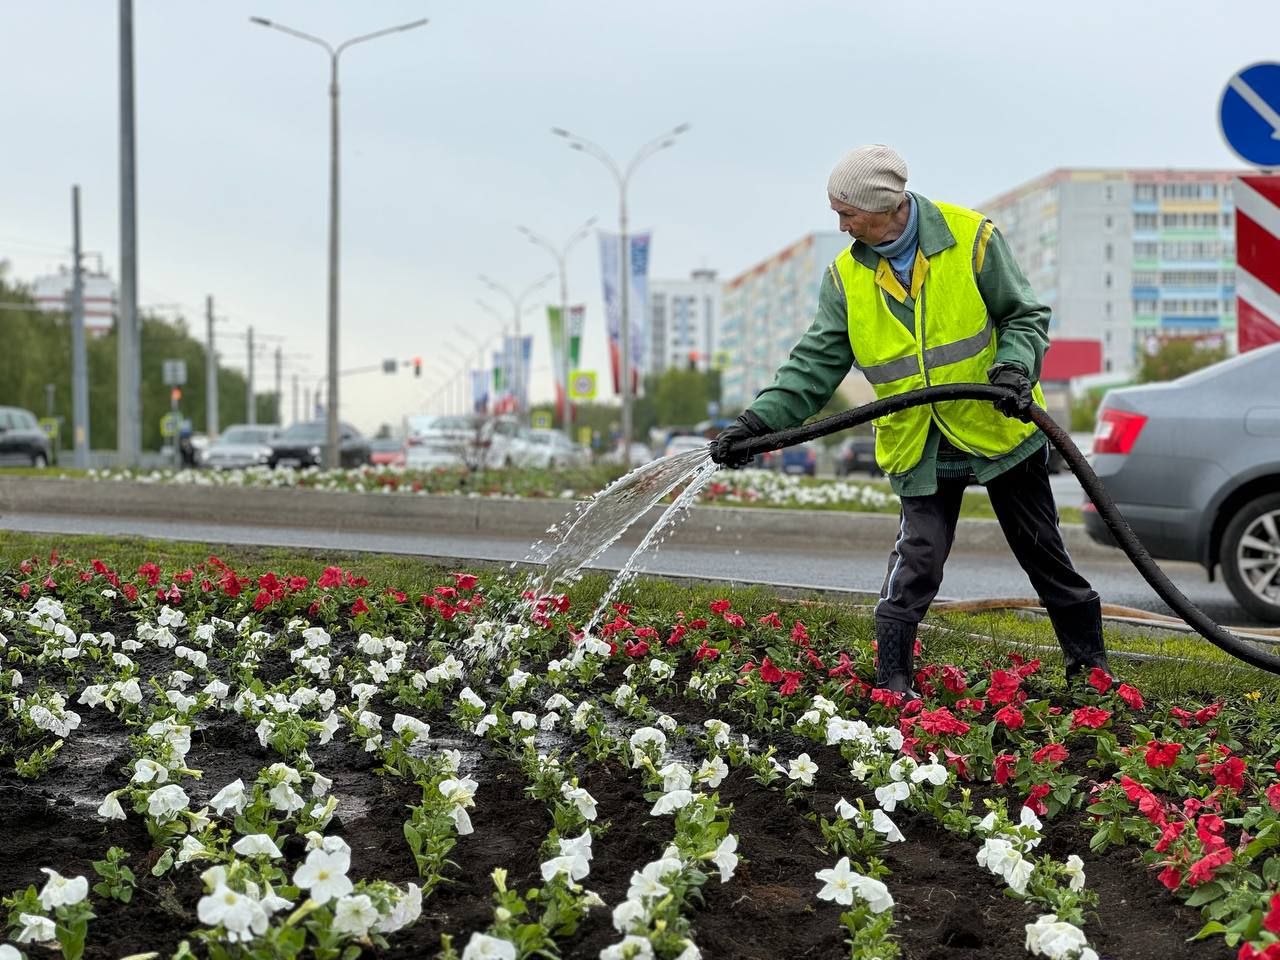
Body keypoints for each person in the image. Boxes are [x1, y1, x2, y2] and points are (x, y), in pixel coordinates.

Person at [710, 144, 1110, 696]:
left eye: (848, 212)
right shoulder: (847, 276)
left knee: (1042, 549)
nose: (841, 223)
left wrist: (1014, 369)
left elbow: (1024, 316)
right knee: (918, 558)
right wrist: (758, 423)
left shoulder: (973, 239)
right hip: (918, 439)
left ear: (887, 206)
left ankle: (1090, 669)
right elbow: (816, 363)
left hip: (995, 421)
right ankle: (894, 678)